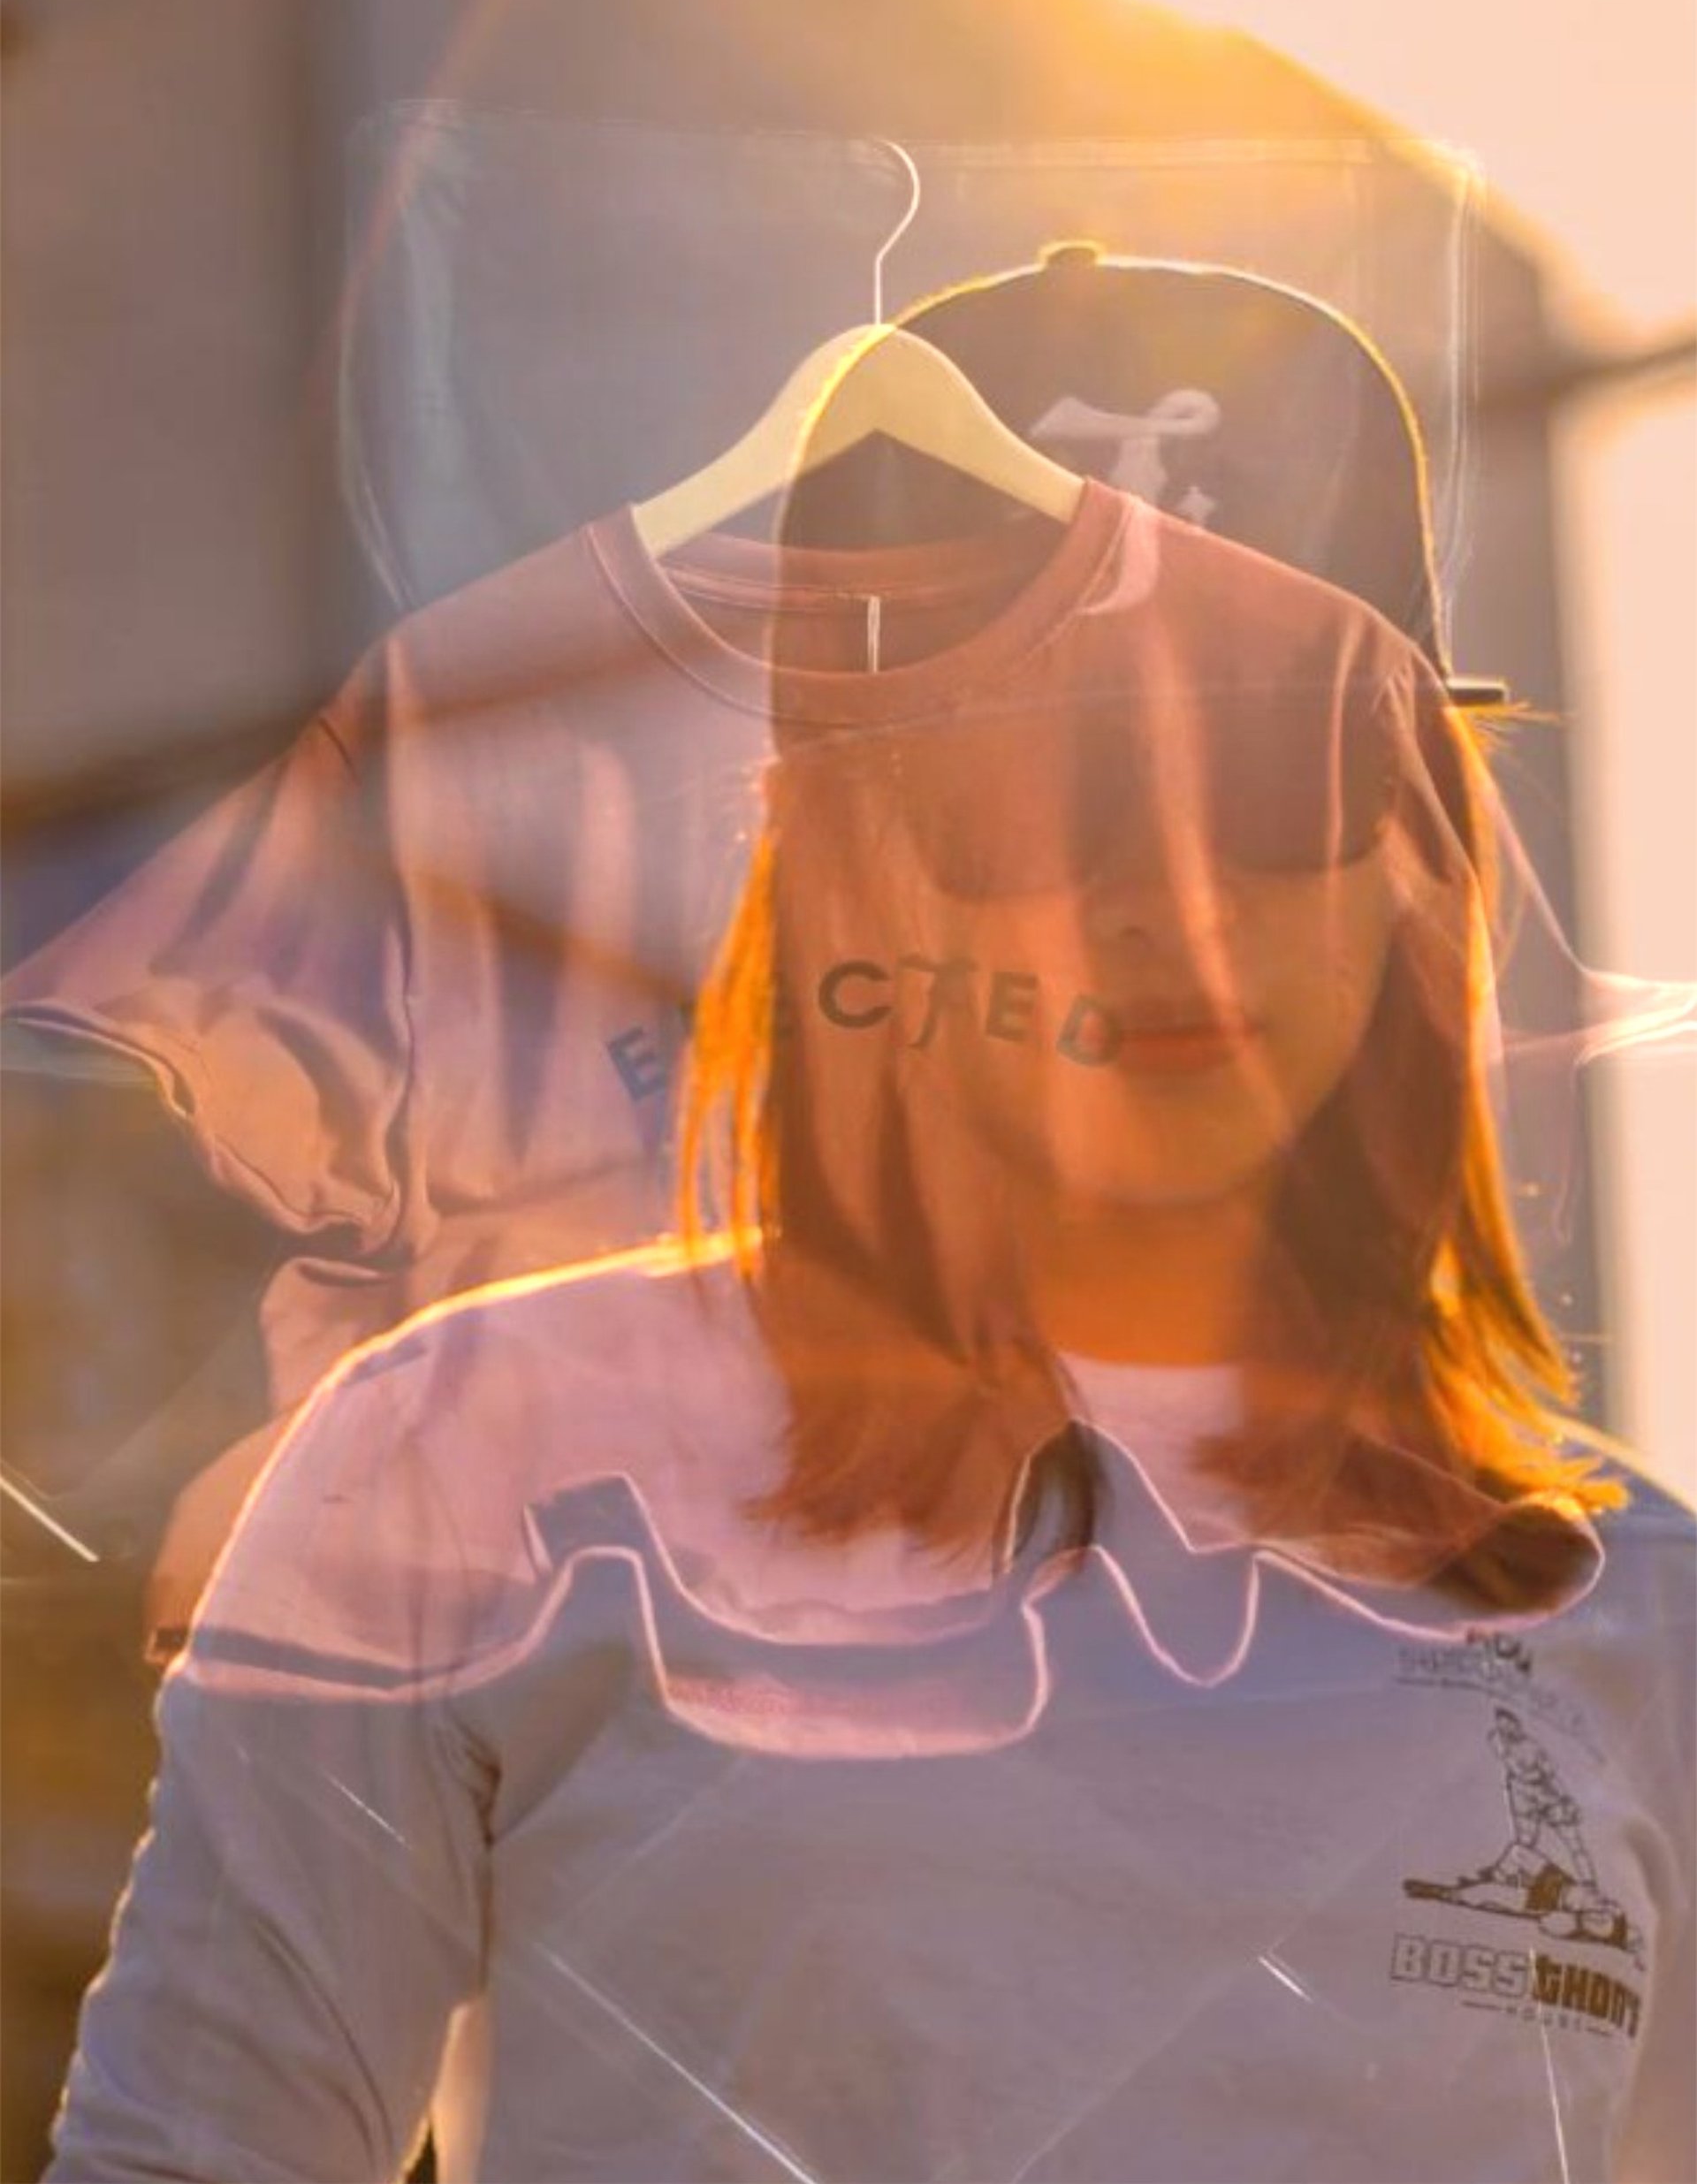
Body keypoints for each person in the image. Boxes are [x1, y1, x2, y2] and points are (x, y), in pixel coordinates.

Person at [45, 498, 1694, 2183]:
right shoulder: (464, 1447)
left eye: (1276, 783)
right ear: (855, 865)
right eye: (1057, 796)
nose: (1169, 900)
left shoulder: (1644, 1592)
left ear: (1425, 863)